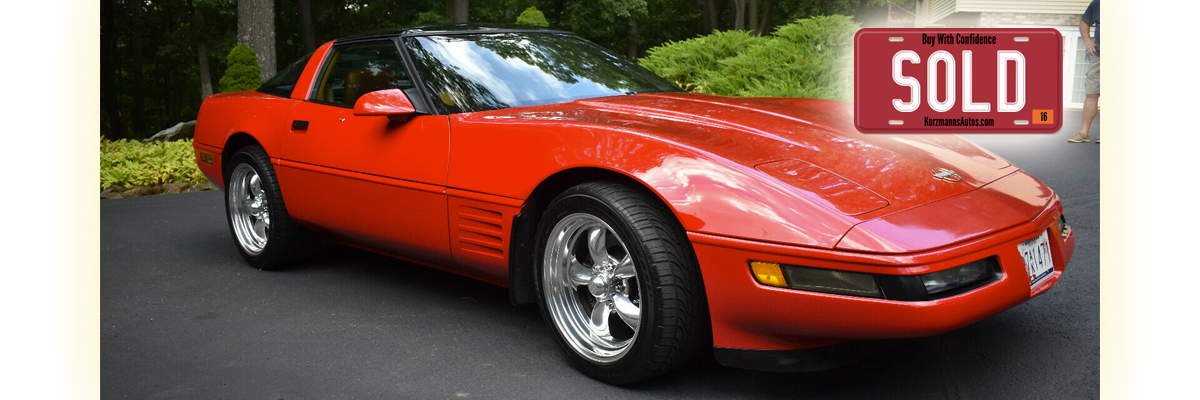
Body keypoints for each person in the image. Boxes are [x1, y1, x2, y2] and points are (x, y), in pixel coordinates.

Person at [1069, 0, 1099, 143]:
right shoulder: (1098, 3)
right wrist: (1087, 40)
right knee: (1092, 92)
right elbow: (1084, 22)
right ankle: (1084, 132)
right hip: (1099, 56)